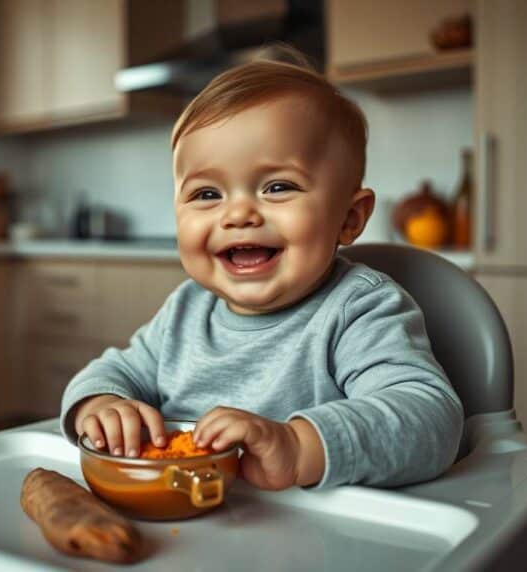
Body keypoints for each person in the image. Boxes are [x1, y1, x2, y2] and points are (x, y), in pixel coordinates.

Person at [59, 56, 463, 490]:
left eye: (277, 187)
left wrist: (298, 447)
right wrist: (100, 404)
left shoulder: (357, 308)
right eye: (207, 193)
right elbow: (114, 372)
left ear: (349, 218)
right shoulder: (186, 310)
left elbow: (430, 419)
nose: (238, 214)